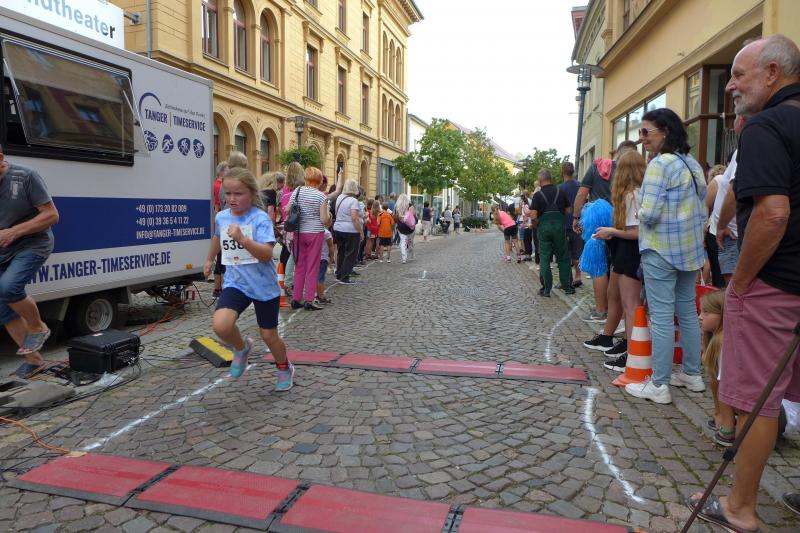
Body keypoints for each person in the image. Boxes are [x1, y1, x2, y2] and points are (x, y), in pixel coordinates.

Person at [686, 35, 800, 530]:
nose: (730, 86)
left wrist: (743, 282)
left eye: (738, 74)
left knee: (757, 399)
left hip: (777, 282)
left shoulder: (767, 125)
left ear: (773, 73)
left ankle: (740, 507)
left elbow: (773, 214)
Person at [624, 107, 706, 405]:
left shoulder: (660, 164)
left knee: (660, 316)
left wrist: (638, 207)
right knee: (687, 311)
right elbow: (701, 203)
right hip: (689, 248)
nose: (642, 138)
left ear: (665, 132)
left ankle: (658, 384)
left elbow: (649, 213)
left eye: (646, 131)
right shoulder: (692, 164)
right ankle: (692, 374)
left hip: (660, 248)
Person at [202, 167, 293, 388]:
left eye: (238, 194)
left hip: (263, 286)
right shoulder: (222, 217)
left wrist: (242, 239)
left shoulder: (260, 219)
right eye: (227, 193)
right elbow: (217, 237)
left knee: (269, 335)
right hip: (237, 283)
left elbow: (266, 254)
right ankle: (241, 348)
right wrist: (209, 259)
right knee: (221, 325)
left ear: (252, 193)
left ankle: (284, 367)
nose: (231, 199)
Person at [0, 145, 59, 377]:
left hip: (33, 243)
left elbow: (51, 215)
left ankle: (36, 326)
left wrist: (14, 232)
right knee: (2, 309)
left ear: (1, 158)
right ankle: (34, 361)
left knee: (9, 287)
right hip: (3, 248)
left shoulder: (26, 176)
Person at [591, 151, 646, 370]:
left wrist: (611, 231)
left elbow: (636, 232)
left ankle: (633, 355)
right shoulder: (638, 193)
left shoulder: (632, 195)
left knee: (631, 306)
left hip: (630, 252)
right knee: (628, 303)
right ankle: (631, 350)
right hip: (629, 250)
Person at [573, 140, 638, 323]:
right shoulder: (634, 170)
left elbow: (581, 194)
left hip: (599, 221)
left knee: (598, 265)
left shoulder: (597, 167)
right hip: (623, 222)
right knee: (617, 267)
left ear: (616, 152)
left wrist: (576, 217)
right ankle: (621, 314)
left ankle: (601, 310)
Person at [708, 116, 747, 286]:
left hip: (732, 235)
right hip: (734, 233)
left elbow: (734, 190)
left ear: (742, 121)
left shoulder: (746, 148)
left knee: (732, 290)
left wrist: (721, 226)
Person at [287, 167, 331, 310]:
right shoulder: (321, 196)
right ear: (319, 181)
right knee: (312, 267)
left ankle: (296, 298)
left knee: (299, 266)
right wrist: (328, 214)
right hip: (315, 233)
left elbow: (288, 209)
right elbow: (324, 219)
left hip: (298, 232)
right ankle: (309, 300)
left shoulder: (297, 191)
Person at [527, 170, 573, 297]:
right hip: (559, 228)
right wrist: (560, 217)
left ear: (540, 180)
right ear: (550, 179)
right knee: (563, 258)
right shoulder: (560, 192)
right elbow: (569, 210)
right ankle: (567, 287)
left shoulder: (538, 195)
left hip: (544, 229)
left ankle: (546, 289)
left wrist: (537, 223)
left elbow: (533, 215)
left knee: (545, 259)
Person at [698, 289, 735, 446]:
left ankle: (728, 428)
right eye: (701, 311)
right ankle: (726, 417)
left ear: (723, 315)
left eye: (706, 312)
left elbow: (724, 385)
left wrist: (724, 418)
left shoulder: (724, 342)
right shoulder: (716, 338)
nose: (700, 316)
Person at [332, 179, 363, 284]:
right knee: (350, 254)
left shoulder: (339, 197)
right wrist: (360, 231)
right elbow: (354, 218)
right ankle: (344, 277)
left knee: (341, 252)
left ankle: (339, 274)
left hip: (338, 228)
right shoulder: (353, 201)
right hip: (350, 230)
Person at [558, 162, 584, 287]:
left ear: (562, 172)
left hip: (564, 224)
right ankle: (578, 276)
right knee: (577, 253)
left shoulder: (559, 188)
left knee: (565, 254)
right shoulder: (580, 186)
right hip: (579, 223)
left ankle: (566, 279)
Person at [212, 162, 230, 297]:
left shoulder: (215, 185)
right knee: (224, 258)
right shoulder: (222, 185)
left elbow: (216, 209)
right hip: (225, 223)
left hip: (219, 223)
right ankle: (224, 288)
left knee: (219, 257)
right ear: (222, 171)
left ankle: (217, 288)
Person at [394, 194, 416, 264]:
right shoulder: (410, 206)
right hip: (410, 227)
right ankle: (411, 256)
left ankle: (404, 258)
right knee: (410, 242)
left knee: (403, 242)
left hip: (401, 227)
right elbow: (414, 216)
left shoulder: (397, 206)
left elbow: (395, 217)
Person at [316, 228, 334, 305]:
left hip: (313, 258)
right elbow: (331, 246)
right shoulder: (326, 233)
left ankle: (315, 295)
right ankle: (321, 296)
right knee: (320, 278)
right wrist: (331, 259)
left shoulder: (312, 230)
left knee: (314, 277)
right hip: (323, 258)